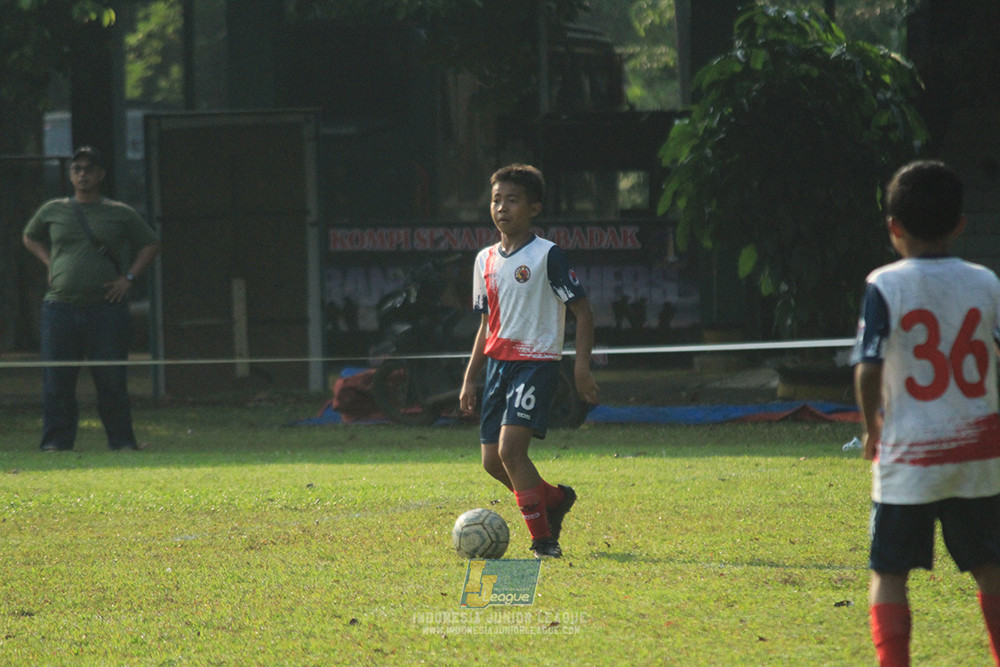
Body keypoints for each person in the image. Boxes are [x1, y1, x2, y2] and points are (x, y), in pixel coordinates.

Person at [852, 160, 1000, 666]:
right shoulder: (985, 282)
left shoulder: (884, 284)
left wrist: (872, 426)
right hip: (980, 453)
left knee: (889, 572)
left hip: (910, 454)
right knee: (991, 566)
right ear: (960, 224)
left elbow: (869, 367)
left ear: (894, 227)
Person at [459, 164, 599, 559]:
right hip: (498, 367)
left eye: (513, 200)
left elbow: (583, 313)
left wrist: (580, 368)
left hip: (535, 364)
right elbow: (487, 324)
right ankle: (553, 499)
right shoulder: (484, 259)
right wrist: (470, 378)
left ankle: (543, 541)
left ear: (534, 208)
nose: (502, 208)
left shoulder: (547, 256)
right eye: (496, 200)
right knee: (491, 461)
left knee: (510, 452)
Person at [22, 146, 161, 451]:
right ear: (70, 175)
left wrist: (129, 278)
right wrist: (51, 264)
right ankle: (56, 443)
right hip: (59, 307)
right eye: (77, 169)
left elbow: (150, 243)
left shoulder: (119, 212)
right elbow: (30, 237)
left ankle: (122, 442)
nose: (82, 174)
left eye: (88, 169)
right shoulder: (53, 210)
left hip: (106, 308)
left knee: (111, 379)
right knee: (57, 380)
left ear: (100, 175)